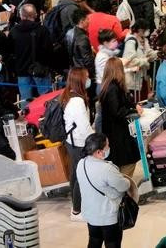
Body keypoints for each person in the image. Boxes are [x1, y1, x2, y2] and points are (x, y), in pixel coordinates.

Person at [76, 133, 133, 248]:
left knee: (94, 241)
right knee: (112, 243)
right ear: (98, 152)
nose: (109, 147)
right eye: (107, 145)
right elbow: (123, 186)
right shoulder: (106, 169)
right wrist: (127, 181)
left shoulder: (81, 163)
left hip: (91, 213)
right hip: (107, 216)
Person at [98, 57, 142, 177]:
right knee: (127, 164)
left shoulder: (111, 86)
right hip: (118, 134)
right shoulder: (112, 88)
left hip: (116, 132)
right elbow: (117, 111)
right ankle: (125, 190)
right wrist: (132, 110)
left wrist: (133, 106)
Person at [61, 67, 94, 221]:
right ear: (80, 80)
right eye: (86, 77)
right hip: (79, 143)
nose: (89, 79)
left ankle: (76, 206)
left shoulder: (70, 95)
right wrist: (95, 140)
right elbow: (84, 126)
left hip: (72, 141)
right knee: (80, 176)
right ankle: (77, 211)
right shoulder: (77, 101)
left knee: (75, 174)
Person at [9, 3, 53, 100]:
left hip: (21, 71)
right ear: (35, 14)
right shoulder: (42, 30)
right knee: (47, 100)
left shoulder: (13, 32)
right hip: (40, 69)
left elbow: (10, 52)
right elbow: (49, 50)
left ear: (21, 15)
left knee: (26, 101)